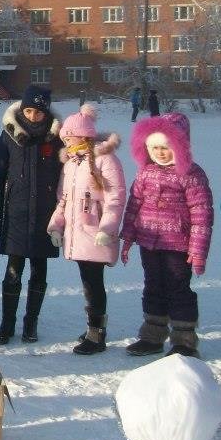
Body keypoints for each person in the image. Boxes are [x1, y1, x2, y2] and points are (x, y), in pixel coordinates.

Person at [121, 113, 213, 358]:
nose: (160, 153)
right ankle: (152, 335)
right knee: (152, 286)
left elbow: (202, 214)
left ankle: (184, 340)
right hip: (149, 242)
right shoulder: (145, 172)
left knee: (178, 288)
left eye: (166, 147)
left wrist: (198, 250)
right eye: (155, 148)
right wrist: (128, 237)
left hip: (178, 244)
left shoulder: (191, 174)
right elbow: (134, 205)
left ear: (181, 146)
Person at [47, 105, 127, 355]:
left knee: (94, 284)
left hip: (95, 234)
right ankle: (93, 325)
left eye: (69, 138)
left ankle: (97, 333)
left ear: (83, 136)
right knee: (87, 282)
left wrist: (108, 227)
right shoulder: (71, 163)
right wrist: (56, 226)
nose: (67, 143)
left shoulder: (105, 159)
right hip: (77, 234)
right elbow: (64, 199)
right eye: (65, 139)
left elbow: (115, 197)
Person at [0, 85, 62, 344]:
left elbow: (69, 176)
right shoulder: (10, 135)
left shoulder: (56, 138)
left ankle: (30, 324)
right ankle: (7, 325)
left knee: (39, 271)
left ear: (46, 112)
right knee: (12, 271)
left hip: (46, 216)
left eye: (38, 112)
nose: (33, 116)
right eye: (28, 111)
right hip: (17, 213)